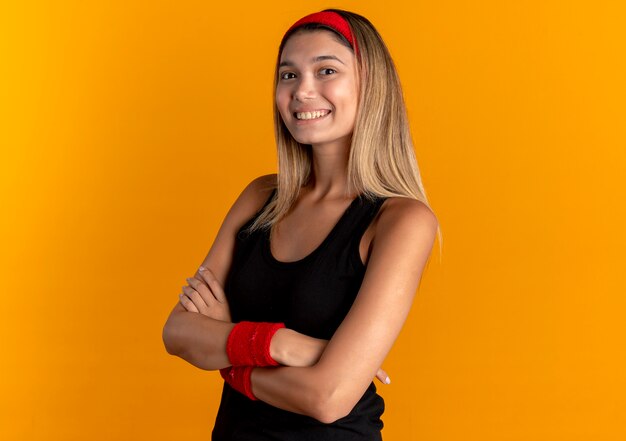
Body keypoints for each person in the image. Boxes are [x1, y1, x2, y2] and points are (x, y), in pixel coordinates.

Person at [162, 8, 440, 440]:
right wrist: (283, 345)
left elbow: (328, 398)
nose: (302, 91)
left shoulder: (401, 221)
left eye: (326, 70)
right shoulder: (260, 198)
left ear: (371, 86)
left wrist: (228, 354)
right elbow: (177, 331)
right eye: (288, 75)